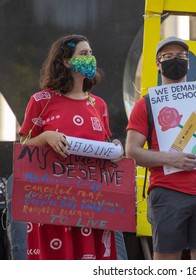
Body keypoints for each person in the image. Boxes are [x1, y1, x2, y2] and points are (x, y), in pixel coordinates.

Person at [19, 34, 126, 260]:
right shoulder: (41, 100)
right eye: (83, 54)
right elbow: (23, 147)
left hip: (94, 204)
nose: (90, 58)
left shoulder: (99, 105)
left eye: (91, 53)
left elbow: (103, 147)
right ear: (67, 61)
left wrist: (116, 148)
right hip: (54, 201)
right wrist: (46, 136)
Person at [126, 36, 196, 260]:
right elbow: (132, 150)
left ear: (189, 63)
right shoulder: (146, 103)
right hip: (167, 192)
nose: (175, 61)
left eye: (181, 57)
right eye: (168, 57)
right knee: (167, 261)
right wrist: (171, 159)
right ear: (157, 64)